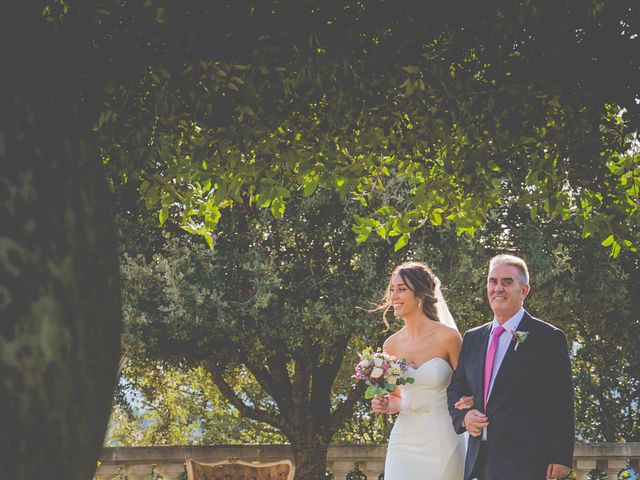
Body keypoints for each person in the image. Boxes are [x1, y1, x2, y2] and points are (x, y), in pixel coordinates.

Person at [447, 254, 574, 480]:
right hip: (479, 461)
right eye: (492, 281)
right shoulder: (473, 337)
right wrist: (465, 417)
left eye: (507, 282)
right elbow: (456, 390)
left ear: (524, 290)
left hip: (526, 461)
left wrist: (560, 456)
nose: (498, 288)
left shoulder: (547, 337)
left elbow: (561, 401)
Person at [370, 261, 471, 480]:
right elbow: (397, 399)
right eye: (392, 289)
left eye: (402, 289)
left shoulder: (449, 338)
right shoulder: (391, 345)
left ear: (421, 295)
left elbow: (467, 389)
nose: (393, 296)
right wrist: (386, 405)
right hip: (403, 442)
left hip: (443, 437)